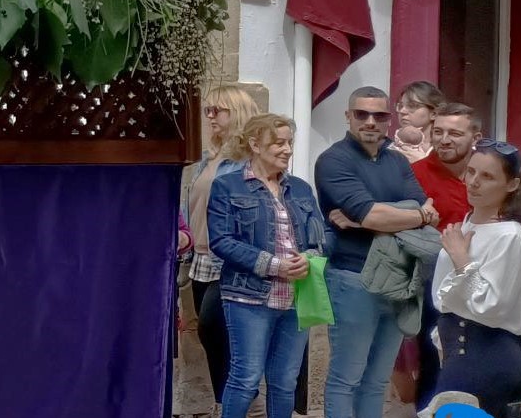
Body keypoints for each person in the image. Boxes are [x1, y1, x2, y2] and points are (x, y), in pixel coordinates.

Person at [317, 85, 442, 418]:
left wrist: (367, 219)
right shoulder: (333, 160)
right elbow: (379, 214)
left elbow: (427, 209)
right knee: (347, 378)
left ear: (388, 119)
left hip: (399, 281)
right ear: (348, 116)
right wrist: (385, 217)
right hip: (354, 279)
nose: (371, 121)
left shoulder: (397, 160)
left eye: (379, 115)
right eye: (362, 114)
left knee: (376, 381)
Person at [207, 113, 327, 418]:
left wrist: (310, 256)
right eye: (278, 143)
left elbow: (321, 235)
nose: (287, 149)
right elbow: (221, 241)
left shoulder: (300, 189)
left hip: (297, 296)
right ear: (255, 145)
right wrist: (274, 265)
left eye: (289, 142)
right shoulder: (227, 186)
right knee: (246, 378)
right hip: (248, 296)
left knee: (285, 381)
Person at [429, 140, 521, 413]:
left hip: (487, 351)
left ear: (511, 185)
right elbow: (444, 294)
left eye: (487, 176)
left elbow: (492, 307)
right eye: (472, 171)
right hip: (457, 348)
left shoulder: (510, 235)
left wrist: (462, 260)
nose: (474, 182)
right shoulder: (466, 224)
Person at [182, 83, 260, 406]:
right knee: (213, 338)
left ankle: (243, 406)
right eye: (208, 110)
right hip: (200, 260)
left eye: (218, 111)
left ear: (238, 114)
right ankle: (225, 406)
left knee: (215, 329)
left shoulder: (247, 162)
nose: (210, 117)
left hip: (228, 261)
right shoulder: (207, 160)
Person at [405, 103, 482, 408]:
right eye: (438, 132)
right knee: (435, 363)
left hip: (486, 282)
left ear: (476, 135)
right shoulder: (415, 175)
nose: (444, 139)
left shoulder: (489, 172)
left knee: (486, 366)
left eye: (455, 133)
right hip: (435, 284)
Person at [394, 81, 445, 165]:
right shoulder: (390, 148)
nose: (402, 111)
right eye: (401, 106)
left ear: (433, 114)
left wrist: (423, 163)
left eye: (412, 106)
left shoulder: (445, 148)